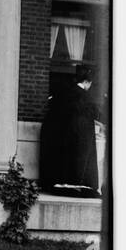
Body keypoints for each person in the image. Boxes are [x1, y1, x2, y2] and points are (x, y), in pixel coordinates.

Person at [38, 64, 101, 196]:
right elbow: (96, 113)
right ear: (86, 82)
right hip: (80, 136)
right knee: (79, 163)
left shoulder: (64, 92)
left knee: (64, 161)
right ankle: (78, 184)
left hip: (63, 136)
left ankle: (63, 183)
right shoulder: (85, 96)